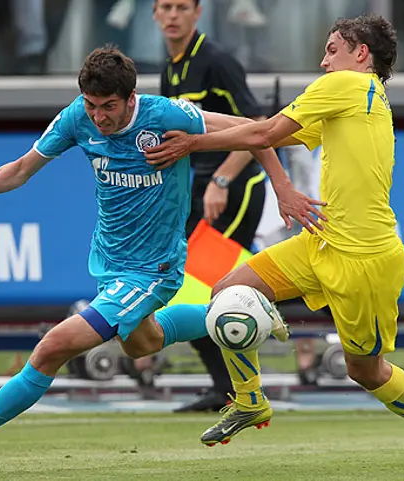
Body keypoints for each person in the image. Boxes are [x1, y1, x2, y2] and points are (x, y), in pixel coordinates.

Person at [0, 45, 324, 466]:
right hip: (110, 262)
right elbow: (22, 168)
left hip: (153, 269)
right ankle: (241, 311)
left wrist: (281, 188)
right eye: (91, 105)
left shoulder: (165, 115)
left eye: (108, 106)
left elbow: (255, 131)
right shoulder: (76, 117)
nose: (98, 117)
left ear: (131, 98)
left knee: (53, 346)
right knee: (142, 343)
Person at [145, 15, 404, 469]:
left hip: (364, 259)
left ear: (361, 54)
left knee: (364, 370)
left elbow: (264, 133)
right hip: (321, 239)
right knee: (229, 291)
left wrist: (192, 142)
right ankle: (249, 400)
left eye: (332, 50)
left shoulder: (348, 85)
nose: (323, 61)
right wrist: (279, 183)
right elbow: (271, 136)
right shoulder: (360, 96)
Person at [148, 0, 268, 412]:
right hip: (199, 191)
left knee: (211, 290)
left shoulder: (217, 61)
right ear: (154, 13)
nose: (173, 15)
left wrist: (221, 180)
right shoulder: (170, 68)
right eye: (165, 7)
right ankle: (227, 388)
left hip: (235, 190)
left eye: (181, 7)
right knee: (189, 291)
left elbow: (259, 128)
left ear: (197, 13)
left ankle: (237, 389)